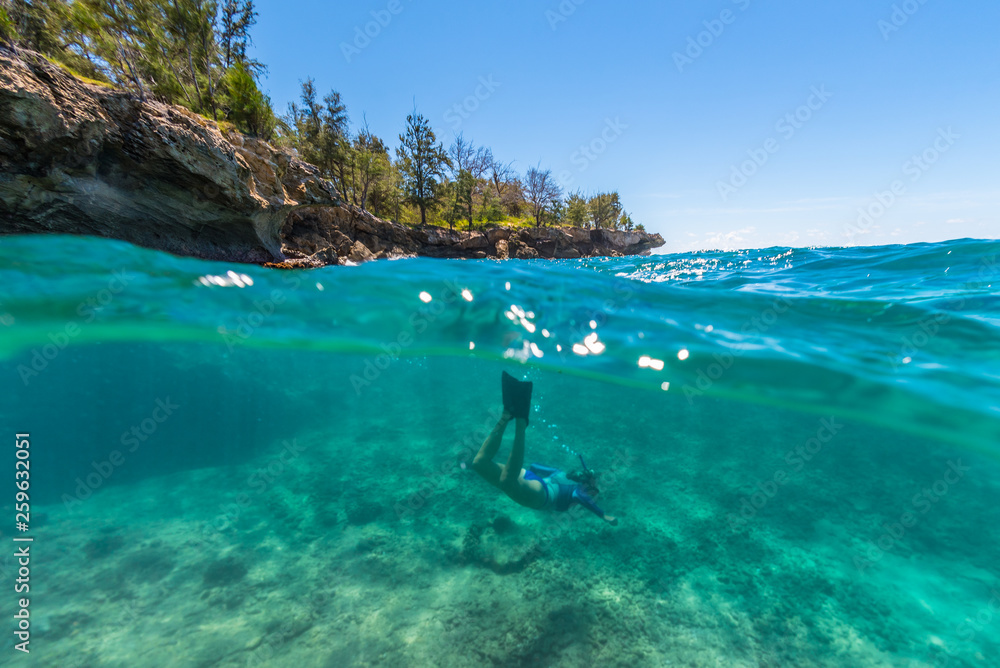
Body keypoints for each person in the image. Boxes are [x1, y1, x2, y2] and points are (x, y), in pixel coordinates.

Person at [471, 372, 618, 525]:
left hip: (533, 480)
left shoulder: (563, 475)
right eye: (593, 490)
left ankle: (506, 416)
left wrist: (521, 477)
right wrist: (603, 515)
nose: (592, 494)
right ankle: (521, 422)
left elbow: (534, 466)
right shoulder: (579, 490)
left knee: (479, 463)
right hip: (541, 495)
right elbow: (583, 498)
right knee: (506, 481)